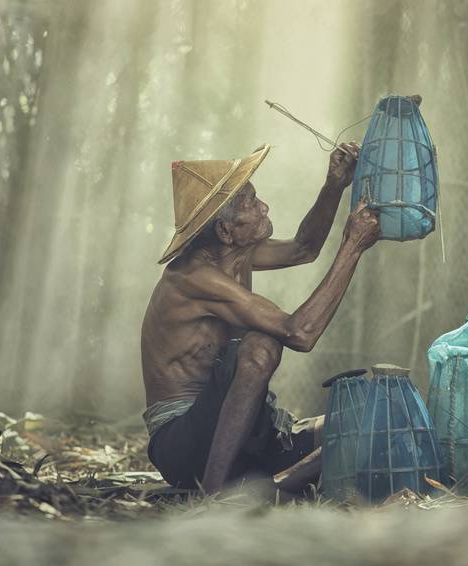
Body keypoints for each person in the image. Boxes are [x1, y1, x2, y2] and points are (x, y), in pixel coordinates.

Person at [141, 142, 380, 494]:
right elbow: (299, 333)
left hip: (241, 431)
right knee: (261, 342)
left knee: (366, 424)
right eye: (251, 202)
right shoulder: (193, 277)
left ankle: (272, 488)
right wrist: (352, 247)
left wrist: (334, 184)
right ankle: (214, 494)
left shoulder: (235, 253)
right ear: (225, 231)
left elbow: (304, 248)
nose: (264, 206)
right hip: (185, 444)